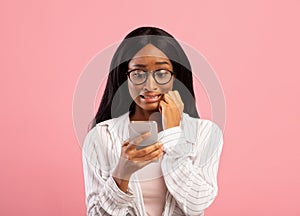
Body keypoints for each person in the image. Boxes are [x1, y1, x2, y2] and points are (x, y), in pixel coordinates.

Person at [82, 27, 224, 216]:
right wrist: (122, 173)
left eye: (162, 73)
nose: (150, 86)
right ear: (125, 77)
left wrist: (173, 135)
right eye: (138, 74)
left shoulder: (205, 133)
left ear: (176, 77)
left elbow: (197, 204)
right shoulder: (101, 136)